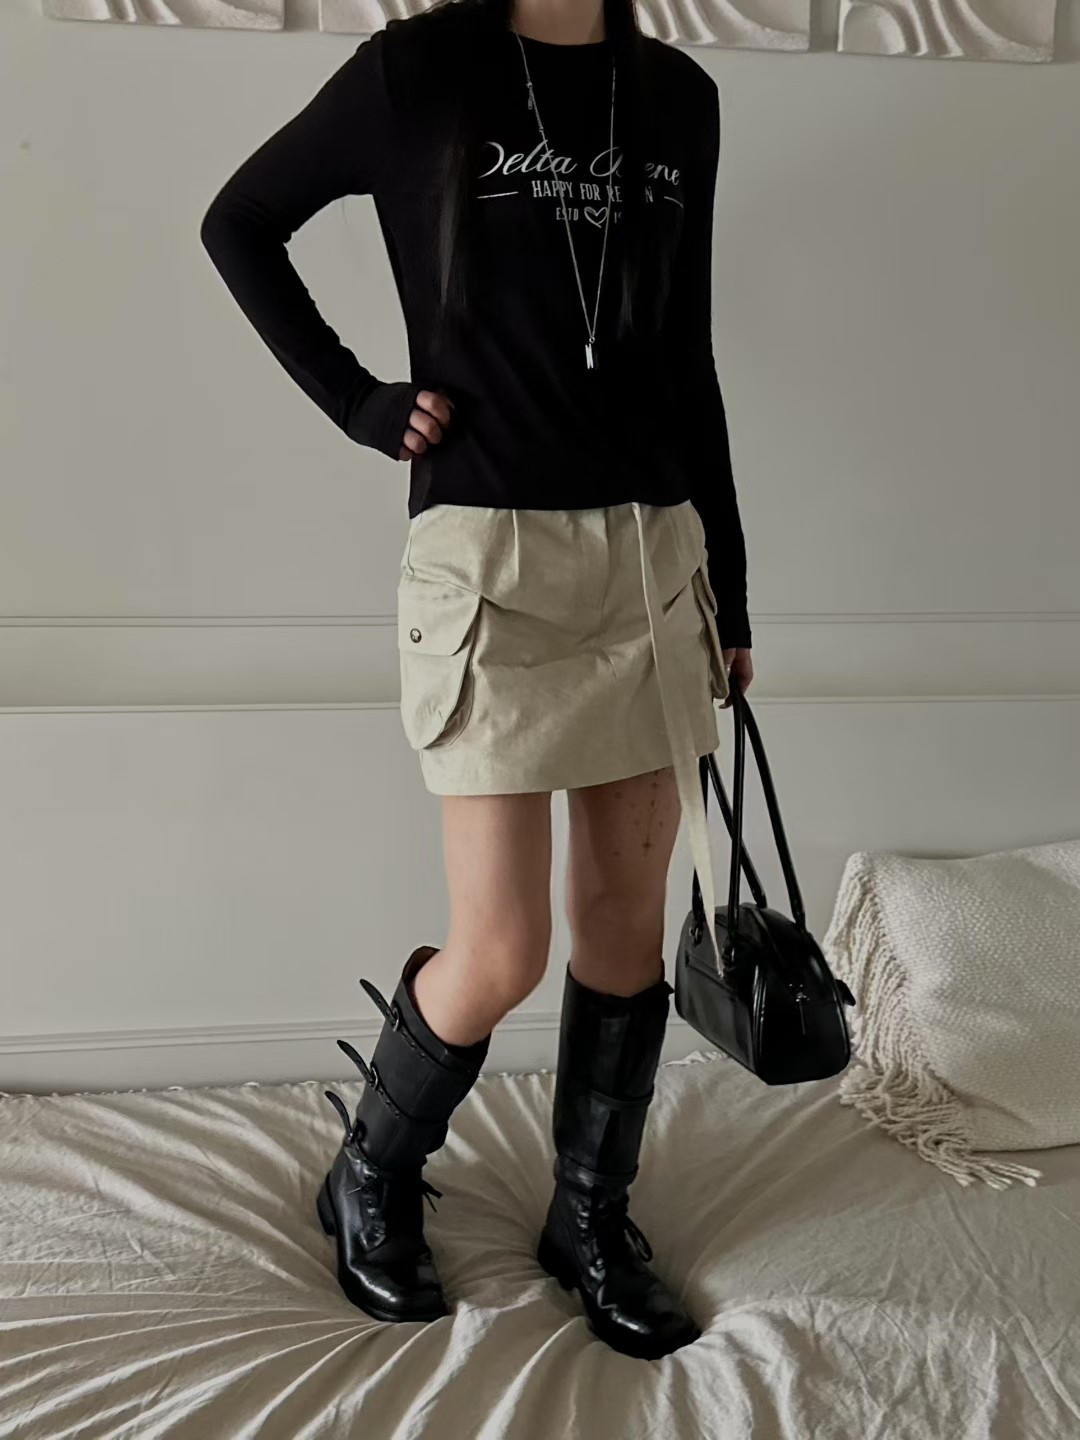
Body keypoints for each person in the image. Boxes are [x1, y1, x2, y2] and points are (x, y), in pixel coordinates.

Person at [199, 0, 754, 1362]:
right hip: (489, 559)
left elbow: (688, 353)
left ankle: (590, 1217)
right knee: (501, 947)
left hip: (650, 552)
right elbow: (240, 223)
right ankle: (370, 1172)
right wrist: (358, 400)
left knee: (622, 929)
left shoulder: (677, 97)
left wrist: (731, 592)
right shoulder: (417, 71)